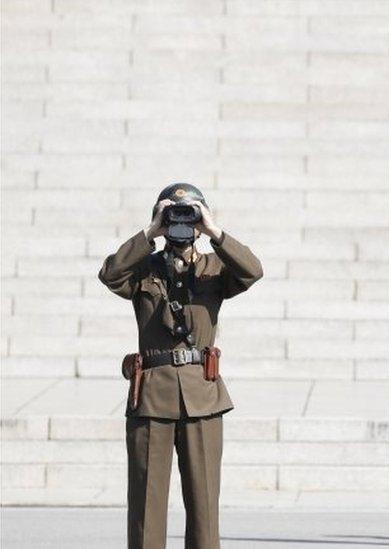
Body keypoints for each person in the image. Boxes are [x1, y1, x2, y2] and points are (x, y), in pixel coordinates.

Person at [99, 183, 263, 549]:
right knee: (146, 507)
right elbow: (110, 274)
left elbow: (253, 271)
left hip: (202, 396)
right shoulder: (143, 268)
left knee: (205, 509)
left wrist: (213, 231)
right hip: (152, 396)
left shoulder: (215, 268)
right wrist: (149, 233)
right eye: (173, 213)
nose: (180, 221)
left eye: (189, 212)